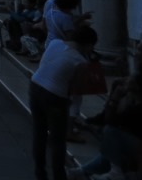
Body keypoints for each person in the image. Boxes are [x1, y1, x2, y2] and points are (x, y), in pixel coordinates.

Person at [30, 25, 98, 180]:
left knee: (39, 133)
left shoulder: (55, 43)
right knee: (58, 140)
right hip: (55, 95)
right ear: (88, 44)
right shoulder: (80, 61)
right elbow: (77, 88)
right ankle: (59, 175)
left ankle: (40, 173)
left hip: (36, 86)